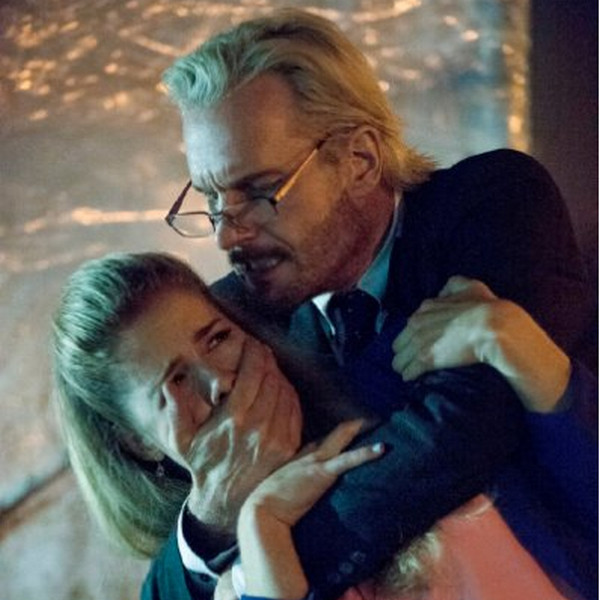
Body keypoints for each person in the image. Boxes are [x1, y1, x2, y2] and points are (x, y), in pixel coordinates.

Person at [150, 8, 595, 600]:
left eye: (259, 191)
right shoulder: (235, 317)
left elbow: (463, 430)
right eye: (211, 198)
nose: (227, 236)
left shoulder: (488, 204)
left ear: (360, 160)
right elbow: (158, 553)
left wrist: (265, 543)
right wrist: (208, 522)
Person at [52, 253, 595, 600]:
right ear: (136, 441)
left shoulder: (390, 390)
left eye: (217, 338)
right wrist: (261, 526)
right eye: (175, 380)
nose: (218, 381)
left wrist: (533, 359)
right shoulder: (238, 580)